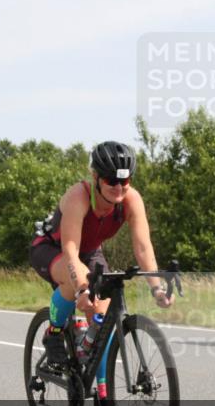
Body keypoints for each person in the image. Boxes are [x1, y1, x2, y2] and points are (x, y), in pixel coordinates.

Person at [29, 141, 173, 367]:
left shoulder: (131, 200)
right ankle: (54, 333)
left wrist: (157, 288)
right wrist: (82, 289)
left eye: (124, 181)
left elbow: (143, 247)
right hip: (52, 248)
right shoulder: (79, 196)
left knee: (102, 323)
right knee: (77, 279)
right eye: (111, 180)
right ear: (95, 176)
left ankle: (103, 393)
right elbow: (70, 252)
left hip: (90, 252)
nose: (119, 187)